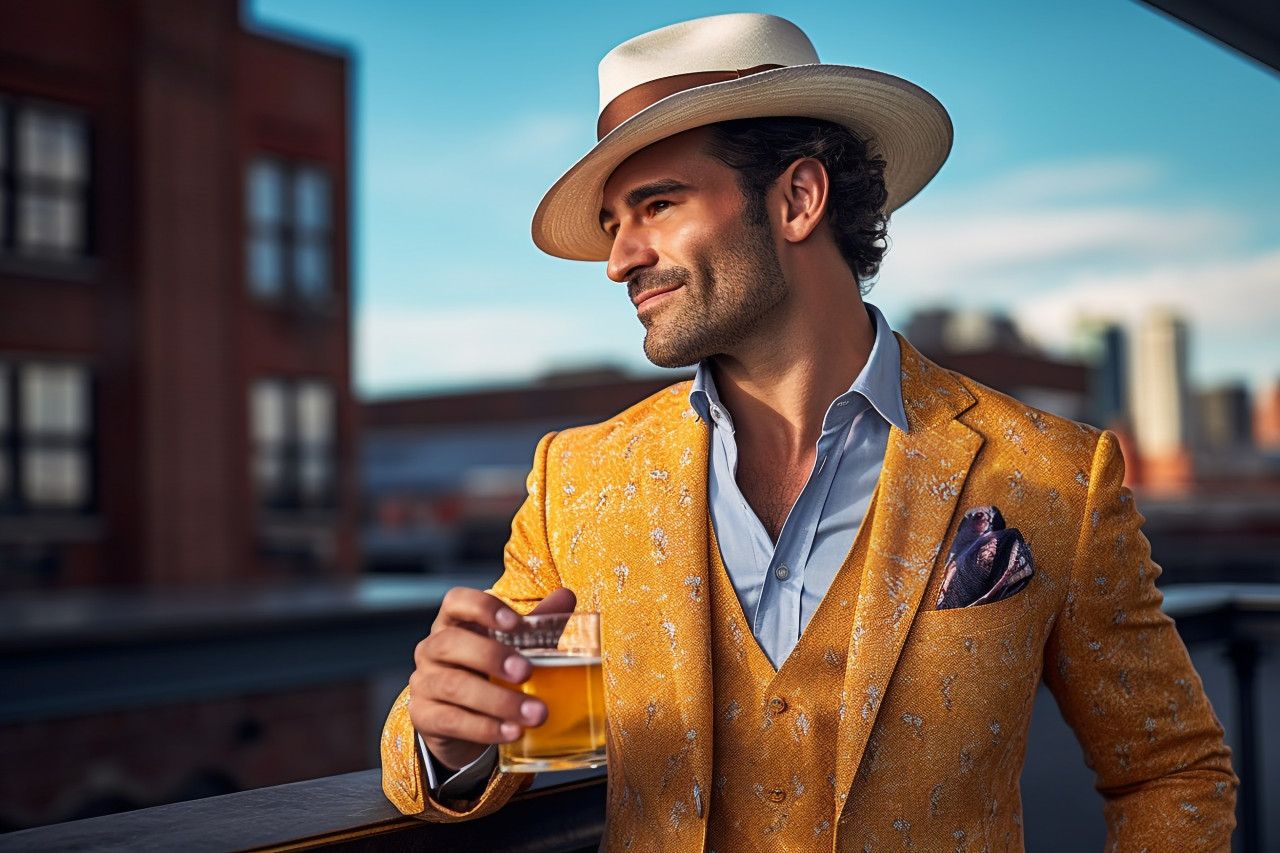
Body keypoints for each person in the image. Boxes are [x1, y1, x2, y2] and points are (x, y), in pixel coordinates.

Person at [381, 13, 1237, 851]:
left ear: (797, 198)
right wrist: (458, 739)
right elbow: (525, 733)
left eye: (657, 204)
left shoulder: (1053, 474)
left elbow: (1168, 768)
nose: (619, 260)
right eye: (614, 223)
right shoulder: (581, 479)